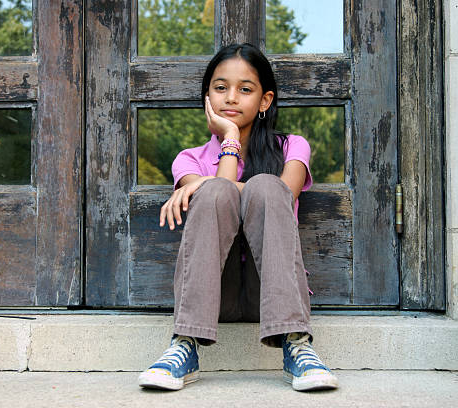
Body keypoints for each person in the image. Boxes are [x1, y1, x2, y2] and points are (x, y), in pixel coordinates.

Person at [137, 43, 338, 392]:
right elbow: (222, 191)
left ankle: (296, 343)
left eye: (245, 89)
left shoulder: (293, 147)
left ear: (264, 101)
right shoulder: (189, 160)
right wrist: (229, 140)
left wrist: (209, 183)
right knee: (218, 191)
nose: (231, 98)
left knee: (266, 187)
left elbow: (284, 193)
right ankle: (185, 343)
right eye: (220, 88)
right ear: (206, 97)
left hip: (273, 294)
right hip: (215, 296)